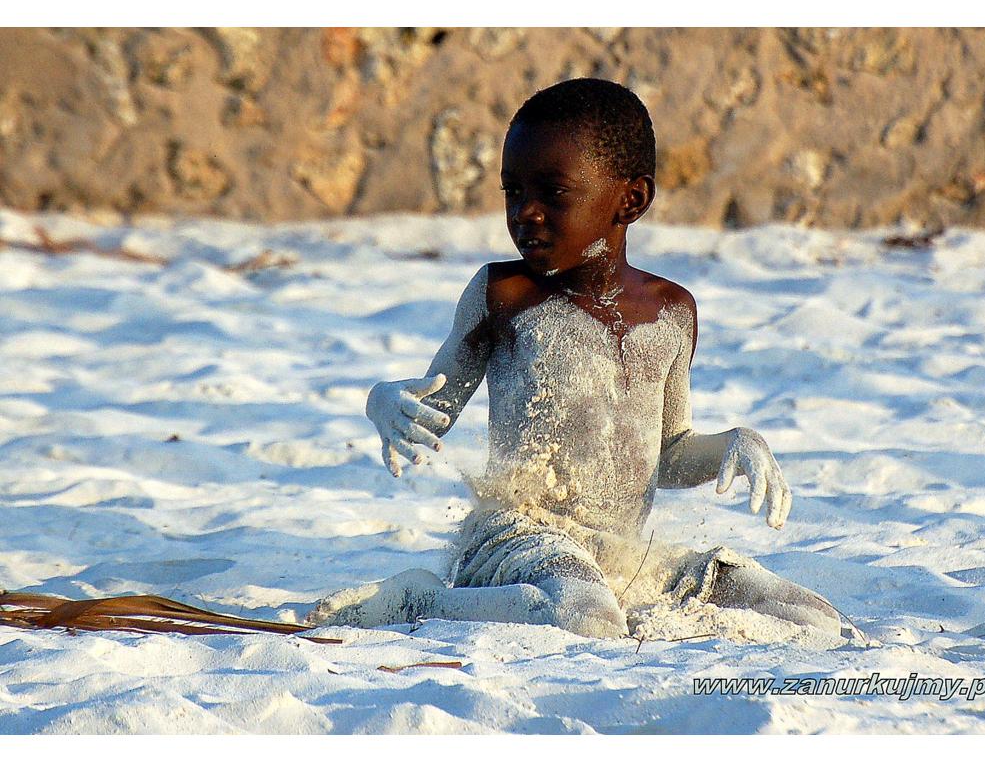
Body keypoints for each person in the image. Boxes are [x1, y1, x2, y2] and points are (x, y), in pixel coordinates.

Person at [306, 78, 842, 638]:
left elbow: (668, 452)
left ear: (630, 200)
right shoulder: (505, 296)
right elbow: (435, 402)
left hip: (618, 555)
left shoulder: (672, 312)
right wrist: (382, 402)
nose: (526, 213)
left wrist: (736, 443)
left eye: (552, 194)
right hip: (516, 539)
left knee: (809, 614)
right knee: (586, 615)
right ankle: (421, 602)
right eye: (513, 192)